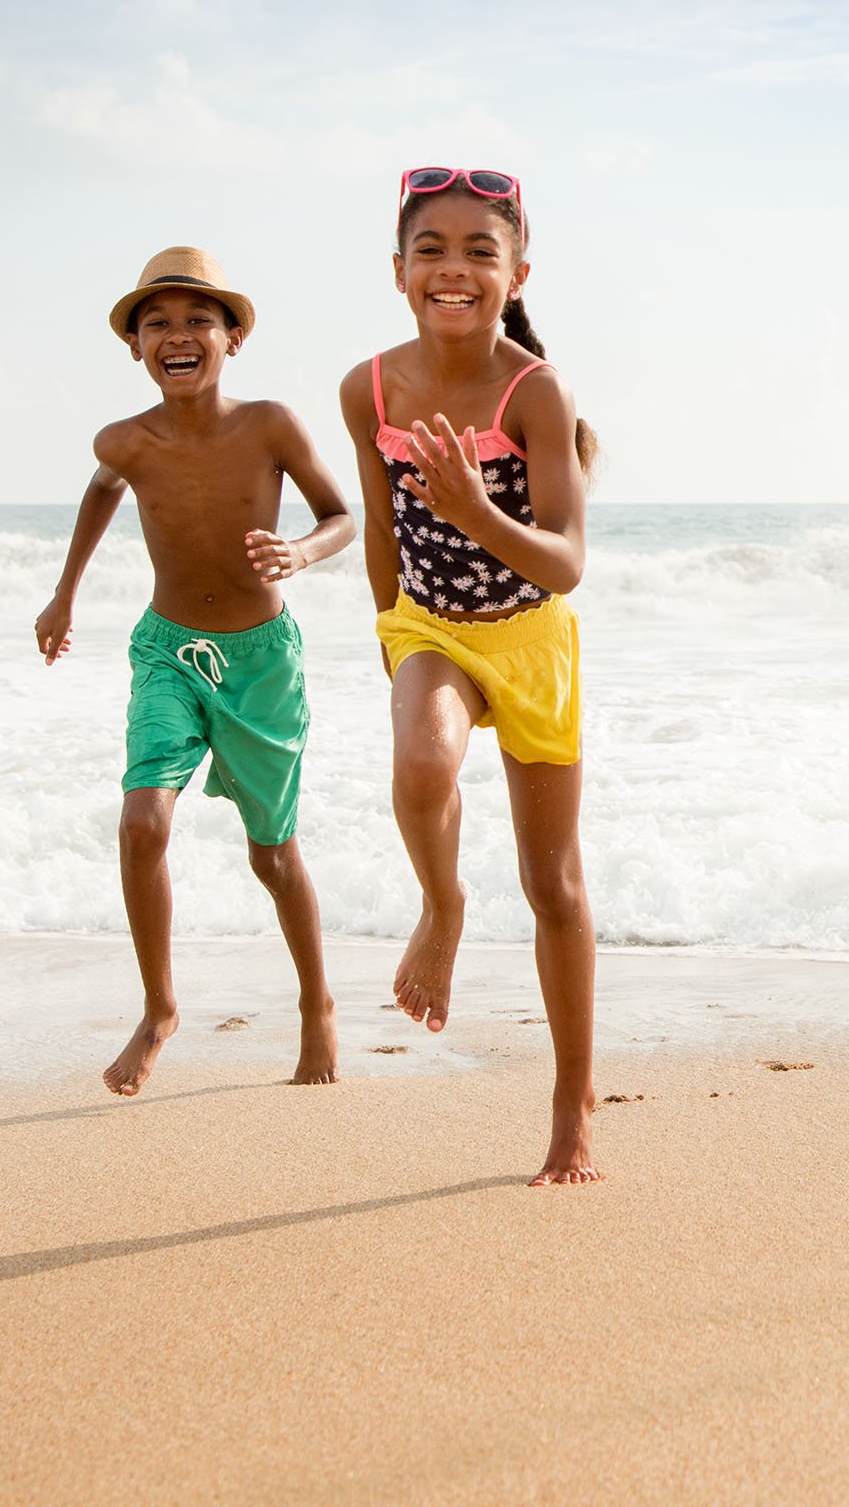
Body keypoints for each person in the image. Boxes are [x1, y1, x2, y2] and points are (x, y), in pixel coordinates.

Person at [36, 246, 358, 1097]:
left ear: (233, 337)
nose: (177, 335)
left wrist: (300, 551)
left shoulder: (270, 425)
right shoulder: (125, 439)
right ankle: (158, 1008)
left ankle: (316, 1002)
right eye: (157, 324)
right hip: (166, 651)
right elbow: (104, 487)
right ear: (136, 347)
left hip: (262, 664)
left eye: (196, 321)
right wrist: (63, 595)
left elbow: (340, 517)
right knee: (143, 821)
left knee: (273, 855)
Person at [338, 167, 601, 1185]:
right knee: (421, 762)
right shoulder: (368, 386)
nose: (454, 269)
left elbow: (566, 560)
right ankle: (442, 905)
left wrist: (475, 511)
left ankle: (572, 1110)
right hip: (430, 627)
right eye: (432, 250)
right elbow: (379, 534)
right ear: (400, 271)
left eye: (479, 252)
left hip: (531, 637)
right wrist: (390, 642)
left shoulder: (536, 393)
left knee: (555, 884)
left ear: (516, 272)